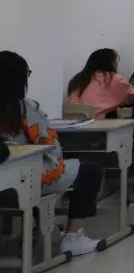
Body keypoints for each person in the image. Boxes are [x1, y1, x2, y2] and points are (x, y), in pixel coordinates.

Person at [0, 51, 105, 256]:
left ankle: (46, 230)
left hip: (6, 183)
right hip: (25, 180)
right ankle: (73, 236)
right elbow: (50, 146)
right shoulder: (26, 108)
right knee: (89, 171)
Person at [65, 48, 134, 118]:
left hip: (72, 124)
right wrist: (122, 102)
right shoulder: (112, 78)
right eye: (115, 61)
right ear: (110, 63)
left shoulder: (77, 79)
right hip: (98, 124)